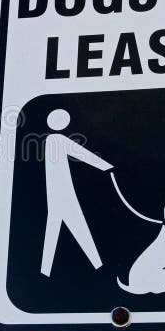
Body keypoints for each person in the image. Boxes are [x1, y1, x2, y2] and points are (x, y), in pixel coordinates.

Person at [41, 109, 112, 276]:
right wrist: (106, 166)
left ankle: (44, 272)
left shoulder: (51, 140)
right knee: (76, 226)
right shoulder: (56, 139)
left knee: (56, 229)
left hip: (57, 193)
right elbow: (81, 153)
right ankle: (99, 267)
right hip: (62, 193)